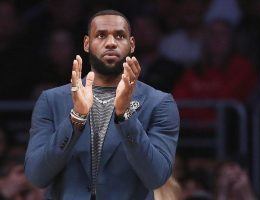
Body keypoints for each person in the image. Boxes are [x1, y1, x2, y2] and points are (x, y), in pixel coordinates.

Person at [24, 10, 180, 200]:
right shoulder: (51, 100)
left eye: (120, 36)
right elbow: (37, 176)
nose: (111, 42)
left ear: (131, 44)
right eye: (101, 35)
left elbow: (156, 177)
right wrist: (76, 118)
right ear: (87, 44)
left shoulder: (159, 103)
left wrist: (124, 116)